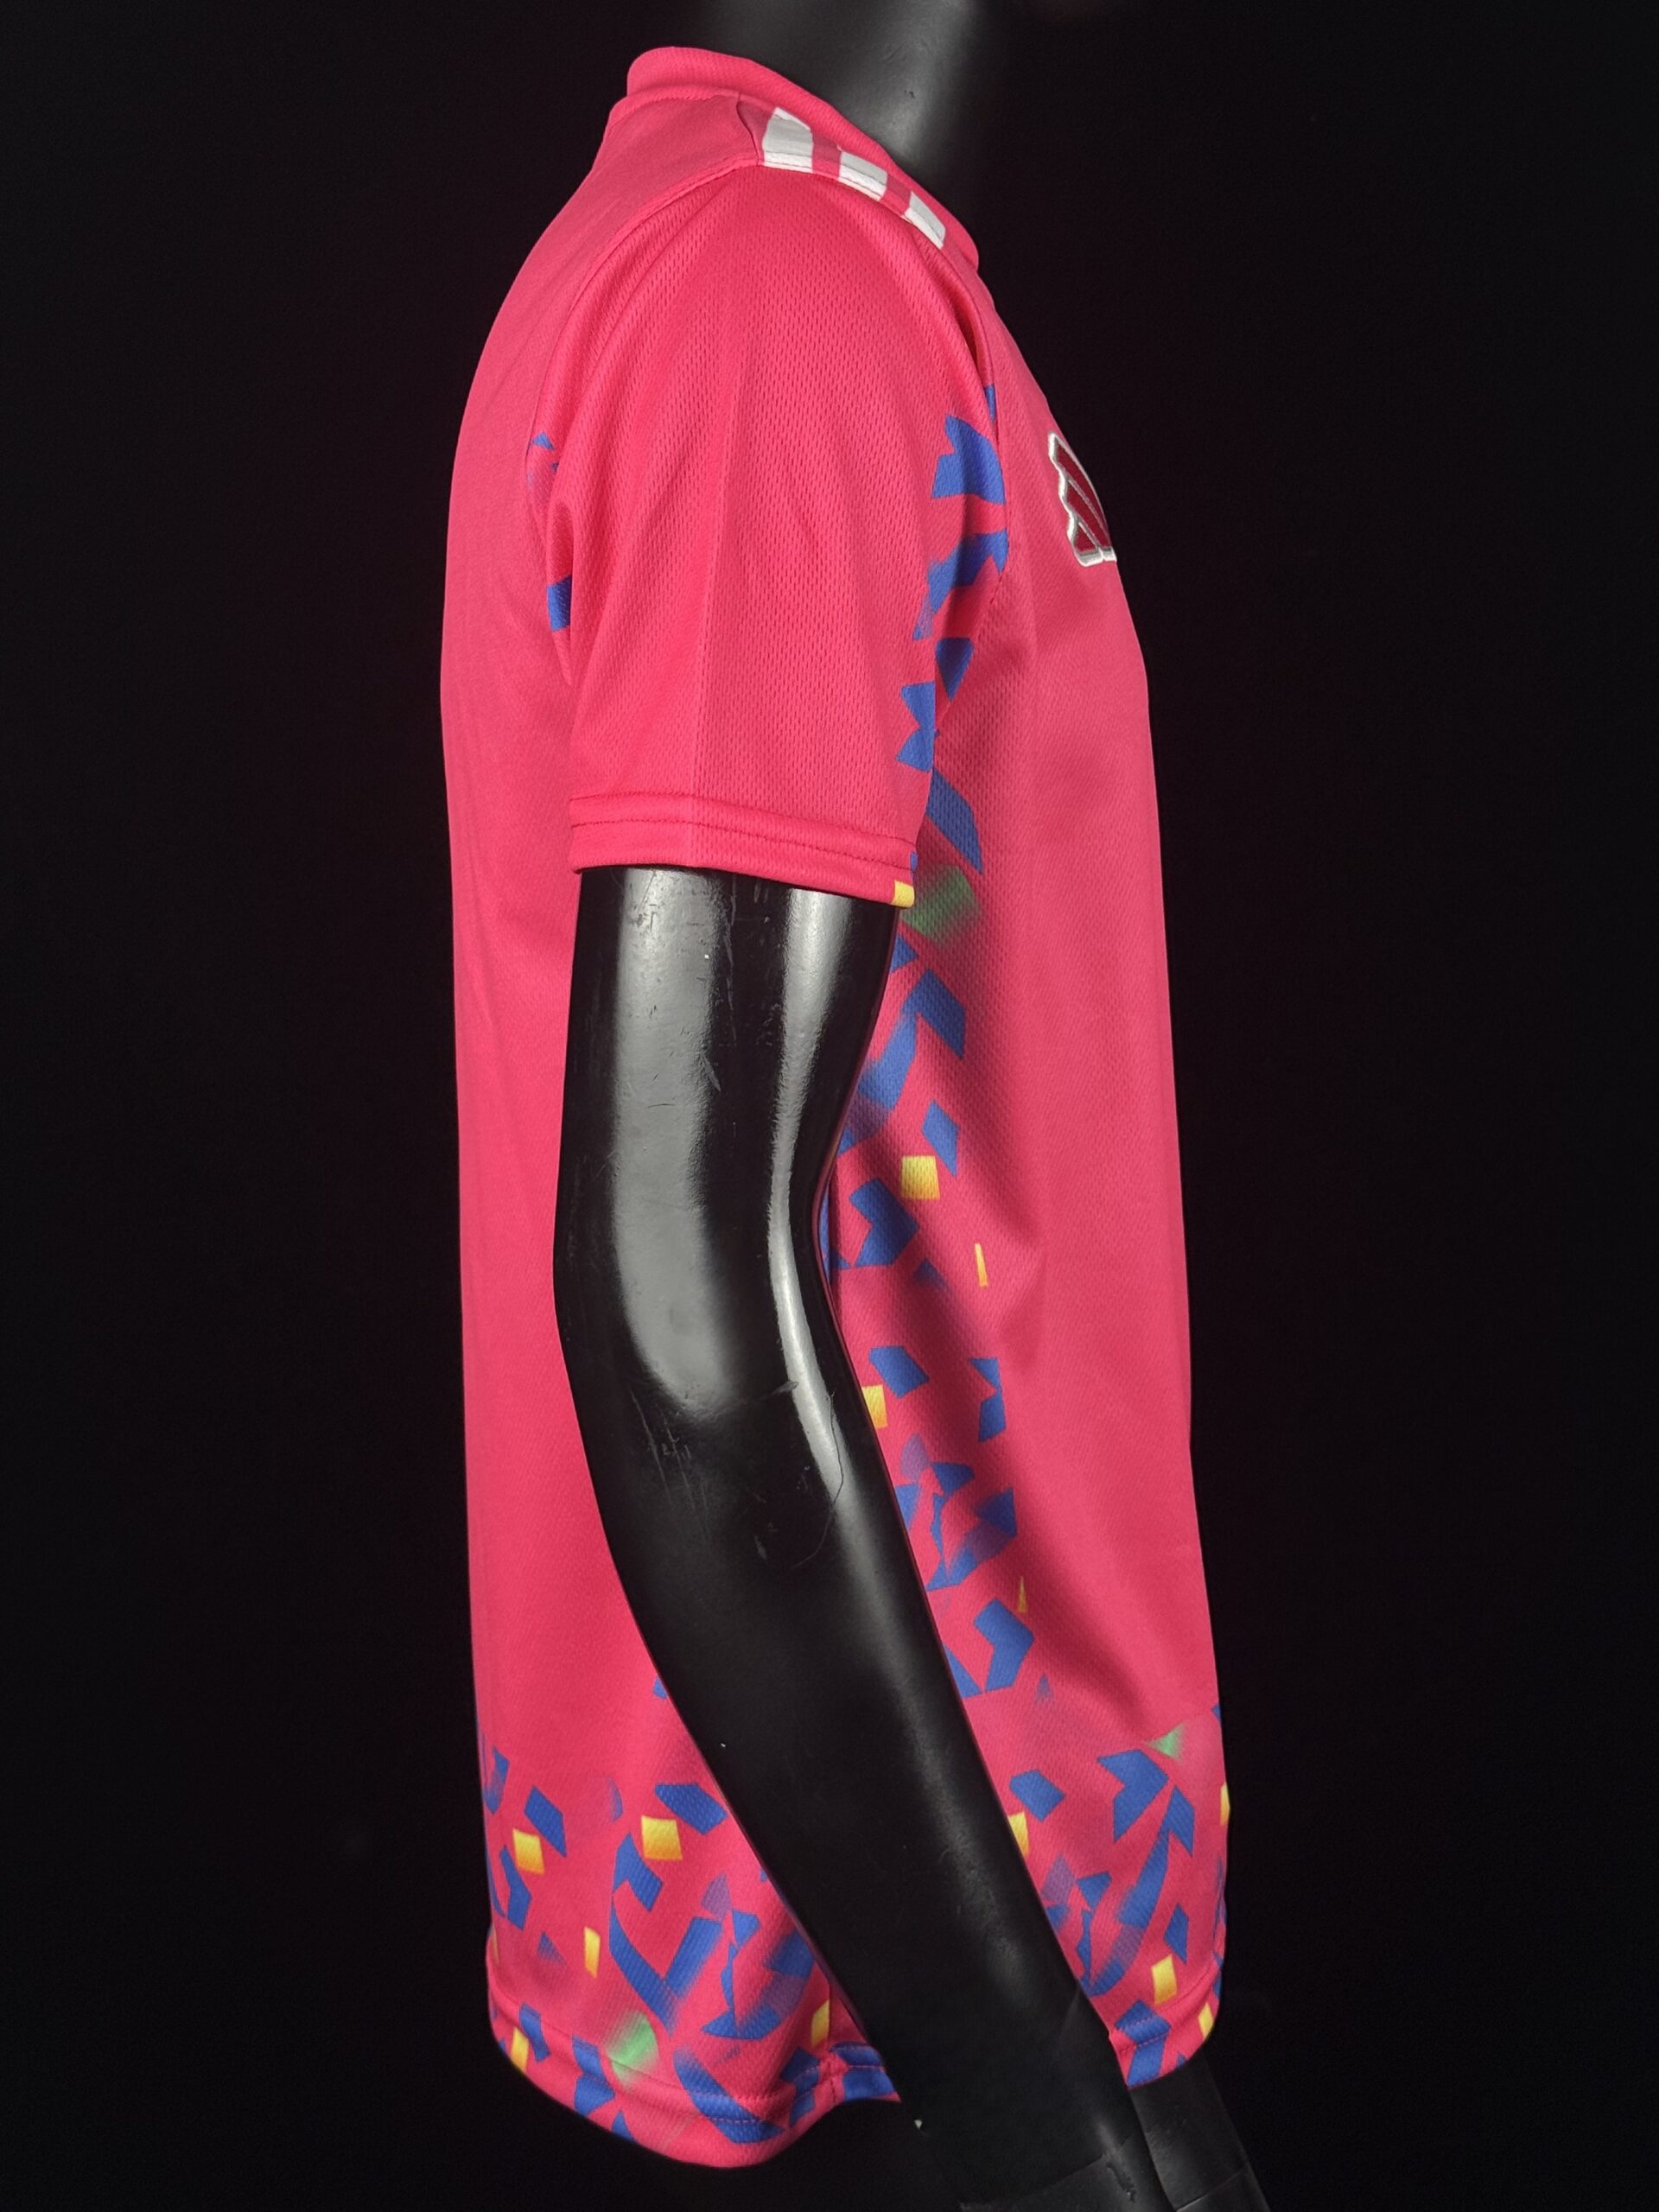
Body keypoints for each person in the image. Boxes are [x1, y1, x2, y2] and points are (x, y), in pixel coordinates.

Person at [439, 9, 1266, 2205]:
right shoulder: (773, 291)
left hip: (922, 1926)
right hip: (905, 1973)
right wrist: (1049, 2122)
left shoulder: (786, 253)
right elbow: (674, 1291)